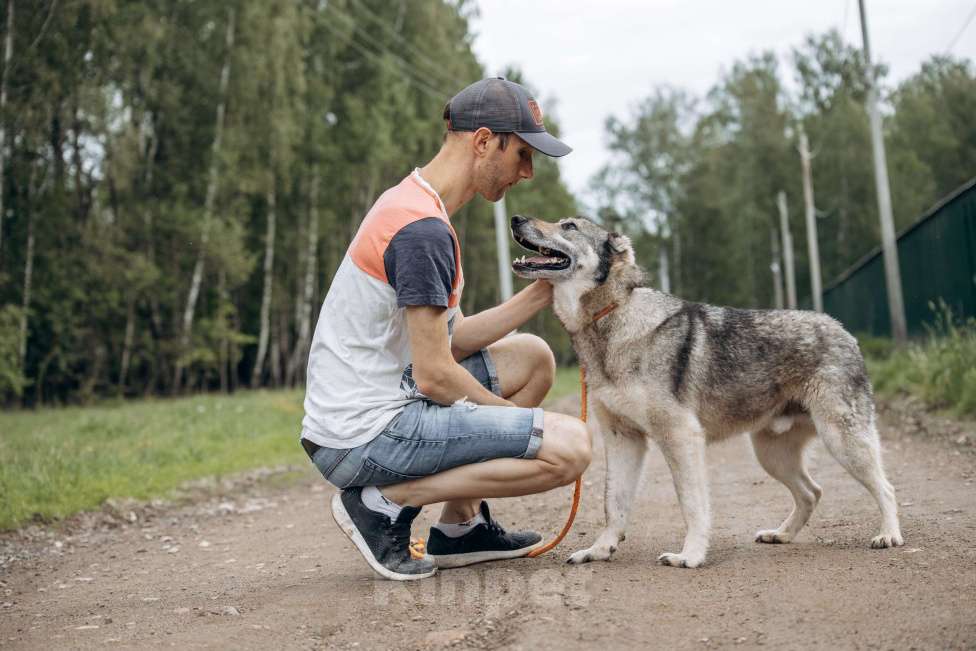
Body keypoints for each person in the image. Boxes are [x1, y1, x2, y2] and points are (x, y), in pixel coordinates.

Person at [300, 77, 591, 581]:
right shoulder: (422, 231)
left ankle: (461, 527)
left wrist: (541, 292)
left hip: (375, 408)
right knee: (571, 449)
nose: (526, 173)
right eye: (522, 154)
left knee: (534, 359)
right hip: (362, 435)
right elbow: (436, 374)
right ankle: (383, 503)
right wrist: (512, 426)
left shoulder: (419, 206)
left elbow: (451, 340)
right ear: (483, 141)